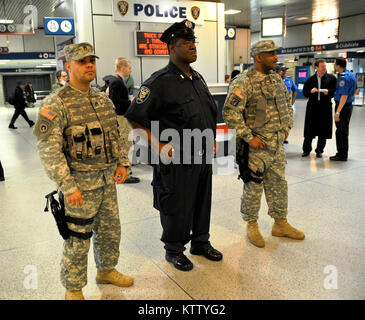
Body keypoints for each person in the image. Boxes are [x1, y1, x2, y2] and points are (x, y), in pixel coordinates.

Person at [33, 42, 133, 300]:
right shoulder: (55, 104)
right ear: (68, 66)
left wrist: (123, 162)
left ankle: (107, 270)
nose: (89, 65)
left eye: (92, 60)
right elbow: (49, 151)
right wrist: (67, 186)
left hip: (107, 180)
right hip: (79, 185)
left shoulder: (103, 100)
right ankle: (73, 287)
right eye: (82, 61)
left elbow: (117, 135)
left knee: (111, 231)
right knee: (78, 238)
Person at [125, 19, 222, 271]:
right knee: (176, 203)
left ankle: (200, 242)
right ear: (171, 48)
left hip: (201, 155)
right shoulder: (158, 82)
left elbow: (206, 113)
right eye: (186, 43)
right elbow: (135, 118)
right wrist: (158, 146)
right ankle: (174, 249)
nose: (193, 46)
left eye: (193, 42)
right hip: (176, 158)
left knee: (202, 200)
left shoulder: (196, 78)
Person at [223, 40, 305, 248]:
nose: (276, 57)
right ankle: (252, 224)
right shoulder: (244, 81)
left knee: (279, 184)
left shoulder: (276, 79)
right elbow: (230, 113)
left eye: (276, 53)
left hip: (277, 145)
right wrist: (249, 137)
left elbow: (287, 102)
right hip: (256, 148)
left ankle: (280, 223)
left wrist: (287, 126)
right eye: (271, 53)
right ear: (258, 57)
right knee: (253, 186)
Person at [109, 58, 140, 184]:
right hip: (121, 118)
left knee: (126, 144)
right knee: (125, 145)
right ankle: (124, 174)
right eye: (129, 68)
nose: (130, 70)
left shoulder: (116, 81)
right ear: (123, 68)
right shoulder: (117, 82)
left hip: (121, 117)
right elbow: (116, 102)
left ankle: (125, 171)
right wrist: (130, 102)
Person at [301, 59, 337, 158]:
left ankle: (319, 150)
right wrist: (310, 91)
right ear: (316, 67)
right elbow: (304, 92)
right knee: (309, 130)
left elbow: (335, 90)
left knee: (323, 130)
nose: (324, 68)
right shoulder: (310, 79)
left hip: (325, 107)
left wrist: (328, 92)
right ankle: (306, 150)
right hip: (313, 107)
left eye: (325, 66)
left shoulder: (331, 78)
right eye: (322, 66)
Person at [330, 57, 358, 161]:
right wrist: (351, 98)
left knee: (341, 131)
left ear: (337, 65)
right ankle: (342, 153)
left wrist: (337, 112)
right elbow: (356, 90)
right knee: (344, 130)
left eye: (334, 63)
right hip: (348, 105)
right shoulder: (351, 75)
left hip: (342, 107)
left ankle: (342, 155)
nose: (334, 65)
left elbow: (343, 96)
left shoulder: (343, 78)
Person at [276, 64, 297, 144]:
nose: (284, 72)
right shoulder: (275, 81)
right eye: (282, 70)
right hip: (278, 106)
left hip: (287, 106)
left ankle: (284, 137)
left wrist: (292, 103)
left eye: (285, 70)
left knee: (287, 122)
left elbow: (295, 90)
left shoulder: (289, 80)